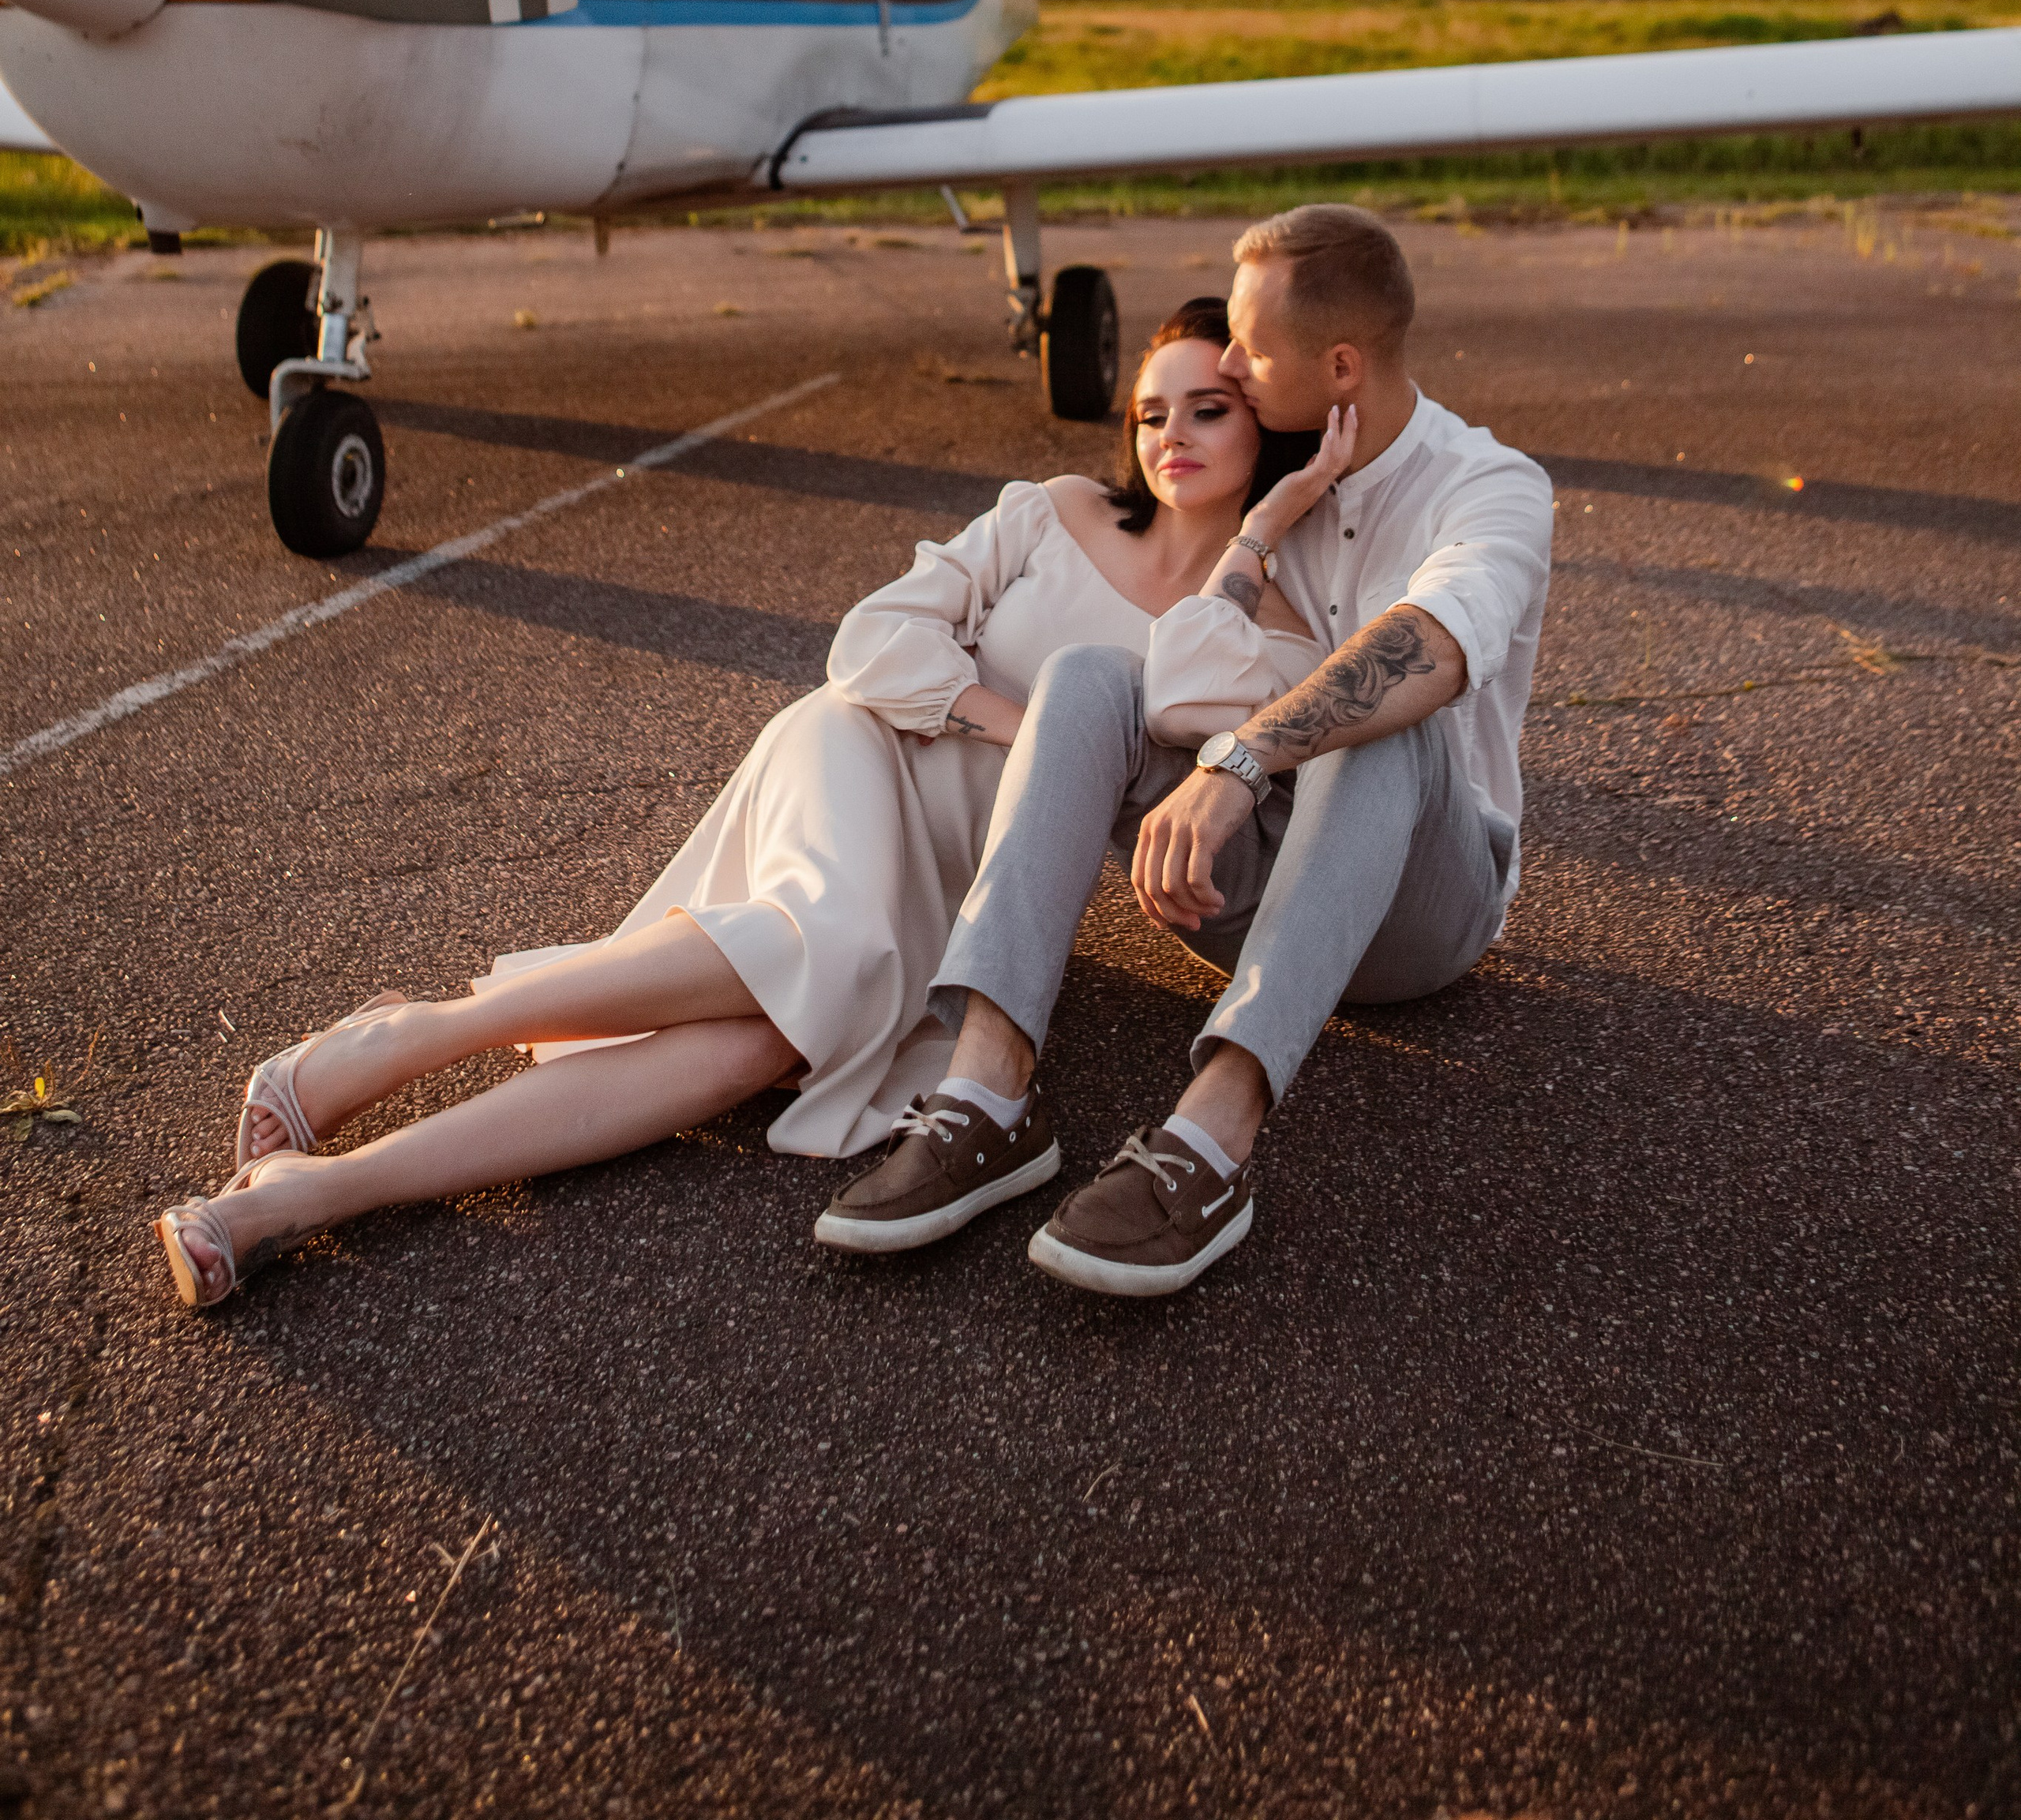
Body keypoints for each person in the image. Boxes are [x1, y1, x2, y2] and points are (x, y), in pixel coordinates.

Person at [155, 300, 1343, 1309]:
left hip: (957, 889)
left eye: (1209, 408)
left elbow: (1188, 693)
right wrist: (1020, 726)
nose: (1169, 436)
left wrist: (1269, 531)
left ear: (1267, 427)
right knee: (816, 949)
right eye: (1150, 411)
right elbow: (872, 642)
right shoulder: (1054, 511)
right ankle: (421, 1033)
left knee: (754, 1048)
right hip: (865, 760)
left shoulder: (1273, 625)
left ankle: (316, 1194)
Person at [820, 202, 1554, 1298]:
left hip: (1419, 914)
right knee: (1090, 675)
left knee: (1378, 710)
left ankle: (1208, 1146)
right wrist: (1262, 531)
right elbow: (1172, 685)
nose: (1236, 366)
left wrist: (1239, 761)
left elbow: (1433, 651)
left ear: (1341, 364)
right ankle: (987, 1096)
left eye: (1252, 350)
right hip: (1248, 889)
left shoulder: (1489, 487)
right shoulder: (1283, 484)